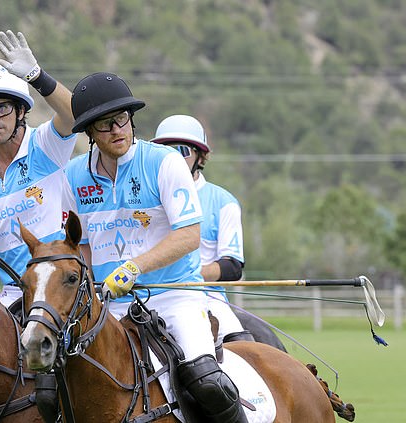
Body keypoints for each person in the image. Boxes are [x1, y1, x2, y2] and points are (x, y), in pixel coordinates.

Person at [62, 73, 248, 423]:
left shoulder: (164, 162)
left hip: (174, 295)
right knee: (55, 379)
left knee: (208, 382)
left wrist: (134, 268)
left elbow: (189, 235)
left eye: (123, 119)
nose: (118, 130)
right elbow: (81, 245)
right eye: (105, 124)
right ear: (89, 132)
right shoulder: (73, 176)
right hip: (108, 304)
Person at [0, 31, 77, 308]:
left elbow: (75, 114)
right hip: (13, 290)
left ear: (21, 111)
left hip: (59, 286)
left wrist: (36, 76)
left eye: (2, 108)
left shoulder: (45, 144)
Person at [150, 115, 254, 344]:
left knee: (243, 347)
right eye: (166, 152)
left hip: (206, 298)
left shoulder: (223, 201)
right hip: (149, 295)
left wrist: (188, 274)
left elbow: (232, 267)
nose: (174, 159)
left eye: (182, 151)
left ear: (200, 156)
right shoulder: (144, 199)